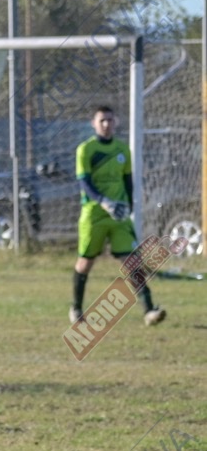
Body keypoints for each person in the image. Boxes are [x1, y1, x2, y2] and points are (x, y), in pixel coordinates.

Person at [70, 105, 164, 326]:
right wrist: (103, 201)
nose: (106, 124)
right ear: (93, 124)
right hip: (94, 214)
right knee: (85, 263)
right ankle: (76, 308)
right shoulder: (86, 149)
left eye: (110, 120)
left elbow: (127, 181)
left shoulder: (122, 149)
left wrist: (129, 207)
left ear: (116, 122)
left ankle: (150, 310)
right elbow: (84, 182)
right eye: (101, 120)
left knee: (132, 262)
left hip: (118, 215)